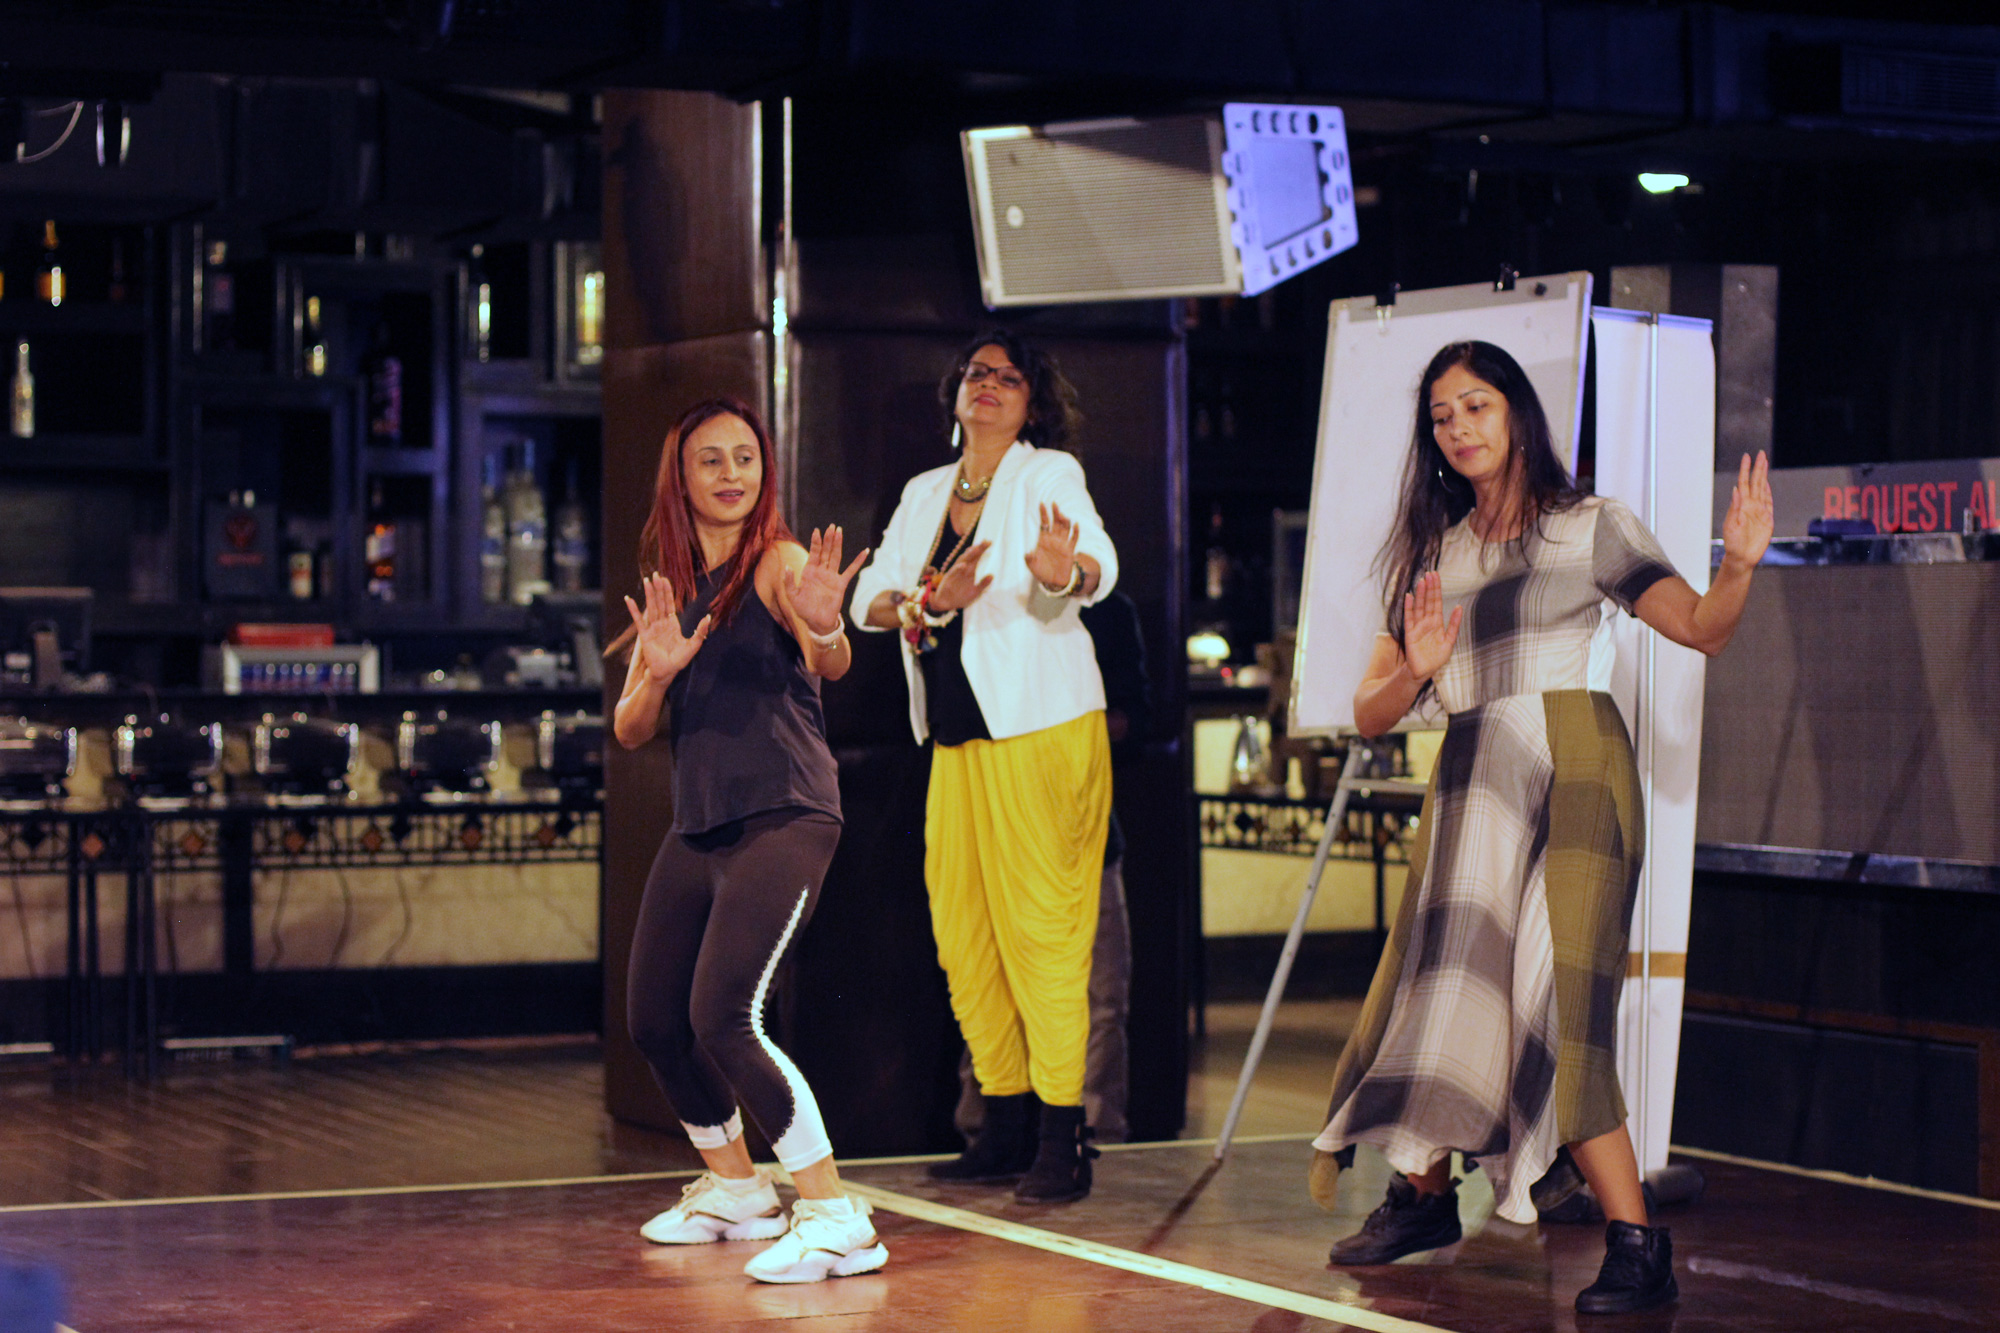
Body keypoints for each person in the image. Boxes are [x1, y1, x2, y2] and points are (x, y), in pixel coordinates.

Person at [1311, 340, 1772, 1315]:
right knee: (1447, 993)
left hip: (1574, 767)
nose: (1459, 428)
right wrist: (1415, 667)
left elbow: (1702, 628)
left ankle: (1638, 1243)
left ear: (1517, 413)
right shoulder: (1433, 553)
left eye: (1476, 405)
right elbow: (1370, 713)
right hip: (1471, 781)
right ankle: (1424, 1194)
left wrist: (1735, 565)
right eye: (1442, 416)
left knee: (1564, 1008)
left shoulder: (1589, 525)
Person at [613, 397, 886, 1285]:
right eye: (711, 459)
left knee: (724, 1015)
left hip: (786, 812)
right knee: (655, 1018)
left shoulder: (780, 561)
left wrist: (826, 622)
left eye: (745, 457)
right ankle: (736, 1189)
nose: (732, 473)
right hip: (700, 823)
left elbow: (831, 658)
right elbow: (629, 726)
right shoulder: (671, 581)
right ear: (680, 477)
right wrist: (657, 675)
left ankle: (836, 1214)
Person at [850, 330, 1118, 1203]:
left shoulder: (1047, 475)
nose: (990, 385)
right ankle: (1002, 1123)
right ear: (957, 391)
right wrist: (926, 599)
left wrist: (1065, 572)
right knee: (966, 934)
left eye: (1009, 377)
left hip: (1042, 730)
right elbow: (868, 599)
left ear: (1033, 402)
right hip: (956, 740)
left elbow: (1097, 562)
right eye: (978, 373)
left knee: (1044, 932)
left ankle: (1061, 1136)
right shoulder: (925, 491)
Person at [952, 589, 1152, 1145]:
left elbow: (1135, 718)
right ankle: (993, 1129)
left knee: (1100, 994)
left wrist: (1066, 721)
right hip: (1001, 831)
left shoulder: (1107, 607)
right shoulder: (986, 607)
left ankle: (1089, 1131)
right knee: (993, 983)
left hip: (1080, 834)